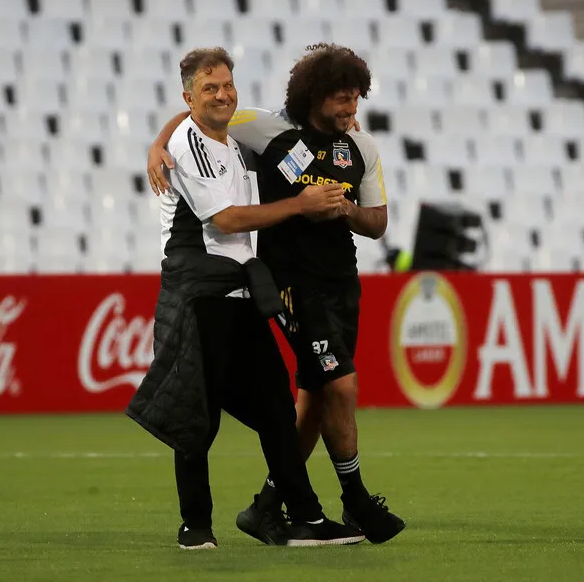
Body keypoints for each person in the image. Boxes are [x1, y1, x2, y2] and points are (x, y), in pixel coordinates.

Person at [146, 43, 405, 545]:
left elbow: (378, 222)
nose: (351, 108)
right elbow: (202, 120)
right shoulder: (264, 128)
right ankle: (351, 500)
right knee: (336, 387)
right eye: (341, 99)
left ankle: (272, 508)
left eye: (356, 98)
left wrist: (346, 210)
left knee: (303, 400)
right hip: (277, 284)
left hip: (325, 284)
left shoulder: (361, 146)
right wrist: (158, 143)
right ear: (314, 95)